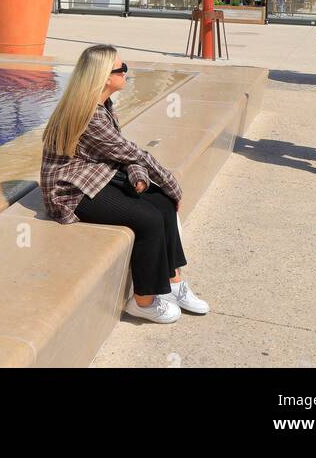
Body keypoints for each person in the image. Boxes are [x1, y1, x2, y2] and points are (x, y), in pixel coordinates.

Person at [40, 44, 209, 324]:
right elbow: (132, 153)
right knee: (149, 220)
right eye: (123, 69)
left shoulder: (101, 104)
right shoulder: (88, 115)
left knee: (163, 204)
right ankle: (142, 301)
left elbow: (120, 152)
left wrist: (141, 177)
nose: (127, 73)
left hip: (94, 174)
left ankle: (174, 282)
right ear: (106, 76)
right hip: (69, 191)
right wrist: (170, 182)